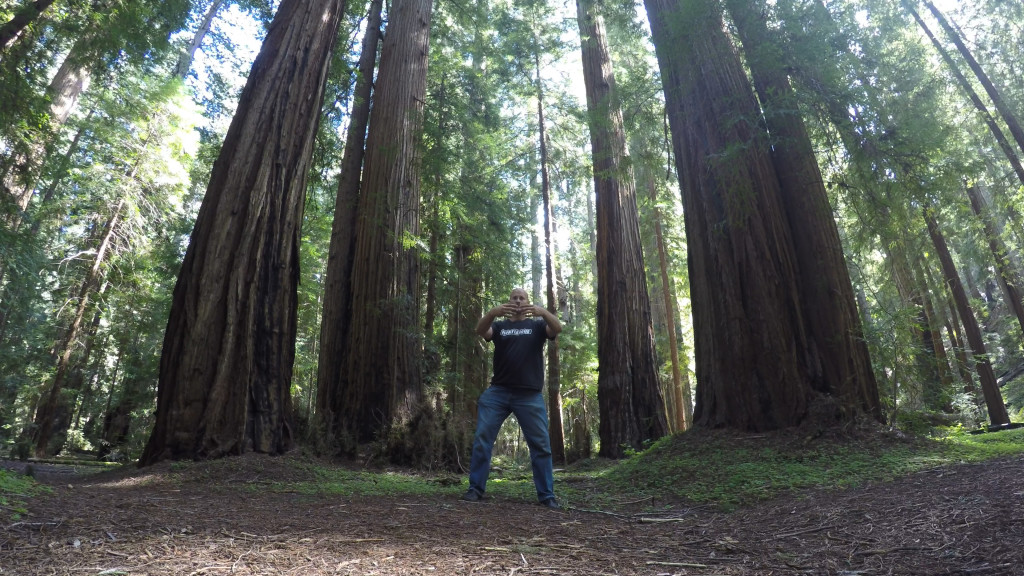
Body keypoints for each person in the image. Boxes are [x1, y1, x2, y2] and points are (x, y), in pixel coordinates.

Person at [461, 288, 563, 509]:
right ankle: (475, 489)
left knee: (541, 445)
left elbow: (557, 328)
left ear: (527, 302)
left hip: (529, 395)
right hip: (498, 392)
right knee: (482, 440)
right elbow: (481, 330)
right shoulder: (499, 327)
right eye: (514, 298)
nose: (518, 301)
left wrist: (542, 312)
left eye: (522, 298)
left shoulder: (536, 326)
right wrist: (492, 313)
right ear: (509, 302)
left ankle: (546, 495)